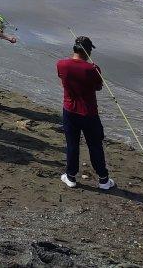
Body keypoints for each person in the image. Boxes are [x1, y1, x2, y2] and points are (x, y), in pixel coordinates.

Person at [57, 36, 115, 191]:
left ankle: (70, 177)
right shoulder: (93, 69)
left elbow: (62, 78)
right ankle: (103, 180)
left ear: (74, 49)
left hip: (69, 111)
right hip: (89, 113)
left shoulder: (61, 64)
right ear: (88, 51)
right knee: (95, 145)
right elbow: (98, 87)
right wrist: (93, 70)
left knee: (72, 145)